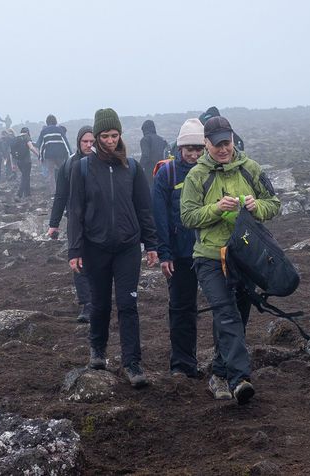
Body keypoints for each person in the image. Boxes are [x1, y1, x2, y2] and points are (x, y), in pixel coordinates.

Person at [180, 116, 280, 404]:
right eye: (218, 144)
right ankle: (240, 379)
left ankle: (219, 374)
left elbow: (274, 204)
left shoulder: (250, 169)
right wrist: (214, 208)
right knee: (226, 313)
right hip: (210, 258)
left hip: (244, 257)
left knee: (239, 315)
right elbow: (187, 216)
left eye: (228, 142)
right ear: (206, 144)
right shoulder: (197, 176)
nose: (224, 149)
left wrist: (256, 206)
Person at [67, 108, 159, 388]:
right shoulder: (81, 169)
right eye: (105, 135)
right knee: (100, 302)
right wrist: (75, 251)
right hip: (96, 247)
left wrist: (151, 244)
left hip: (127, 247)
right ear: (95, 137)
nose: (110, 140)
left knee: (128, 304)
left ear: (120, 135)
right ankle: (97, 351)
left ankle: (132, 363)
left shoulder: (131, 167)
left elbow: (144, 208)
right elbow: (76, 211)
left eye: (114, 135)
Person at [152, 118, 204, 379]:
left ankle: (223, 362)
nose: (194, 155)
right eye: (189, 149)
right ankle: (182, 365)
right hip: (181, 254)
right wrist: (165, 253)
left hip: (211, 252)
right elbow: (159, 217)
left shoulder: (212, 171)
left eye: (198, 149)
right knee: (182, 309)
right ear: (179, 148)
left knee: (224, 307)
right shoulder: (167, 174)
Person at [48, 126, 94, 323]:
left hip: (99, 221)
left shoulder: (101, 163)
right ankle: (87, 304)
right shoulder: (68, 165)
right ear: (78, 142)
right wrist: (54, 224)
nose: (89, 145)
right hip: (75, 221)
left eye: (92, 142)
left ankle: (97, 300)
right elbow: (61, 196)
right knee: (78, 259)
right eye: (85, 142)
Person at [35, 115, 72, 194]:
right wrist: (70, 154)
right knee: (63, 172)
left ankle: (54, 193)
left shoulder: (44, 131)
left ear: (47, 122)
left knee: (51, 174)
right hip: (60, 155)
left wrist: (40, 157)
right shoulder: (59, 129)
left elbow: (41, 145)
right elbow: (65, 142)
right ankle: (65, 190)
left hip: (49, 156)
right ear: (55, 121)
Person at [11, 127, 39, 201]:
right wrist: (38, 155)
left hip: (18, 161)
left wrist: (13, 164)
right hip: (26, 161)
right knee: (25, 177)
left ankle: (28, 194)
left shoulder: (16, 138)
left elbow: (11, 152)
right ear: (27, 132)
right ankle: (19, 195)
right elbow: (31, 147)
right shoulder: (26, 137)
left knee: (26, 176)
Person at [139, 120, 168, 191]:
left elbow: (145, 155)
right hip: (163, 168)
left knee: (150, 190)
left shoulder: (145, 139)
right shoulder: (162, 140)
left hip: (150, 170)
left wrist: (139, 168)